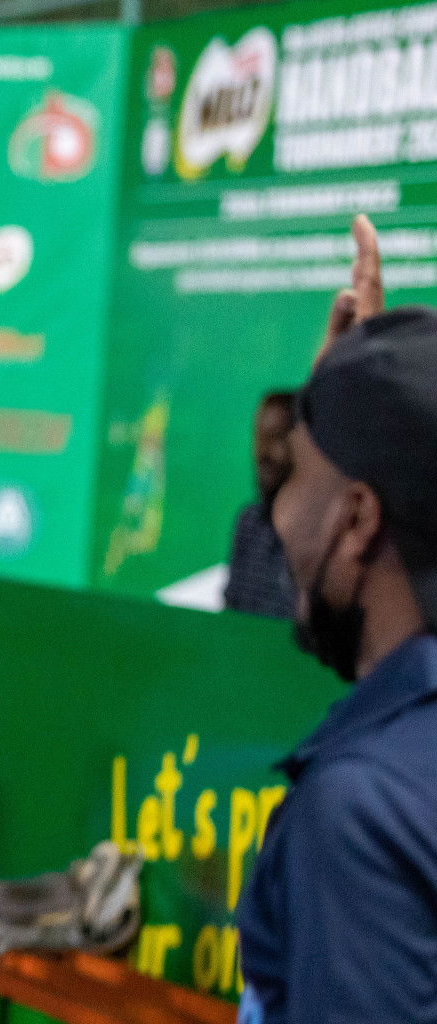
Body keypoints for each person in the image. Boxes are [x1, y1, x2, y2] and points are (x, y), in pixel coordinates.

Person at [237, 214, 437, 1022]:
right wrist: (354, 402)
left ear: (358, 520)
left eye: (294, 480)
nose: (276, 516)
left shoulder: (359, 813)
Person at [223, 391, 297, 618]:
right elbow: (231, 610)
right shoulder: (248, 523)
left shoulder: (318, 532)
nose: (263, 452)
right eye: (260, 437)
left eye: (276, 437)